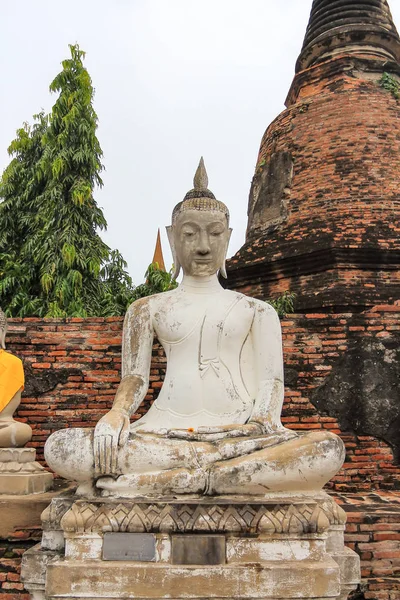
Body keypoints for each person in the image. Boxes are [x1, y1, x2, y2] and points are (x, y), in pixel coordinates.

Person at [45, 159, 344, 497]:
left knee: (327, 449)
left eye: (215, 233)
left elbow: (271, 384)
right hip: (164, 433)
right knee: (63, 447)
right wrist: (116, 414)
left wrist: (258, 428)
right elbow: (136, 379)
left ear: (227, 239)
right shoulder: (146, 309)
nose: (203, 246)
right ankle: (216, 474)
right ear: (174, 239)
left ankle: (181, 479)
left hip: (241, 437)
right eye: (190, 234)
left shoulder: (258, 311)